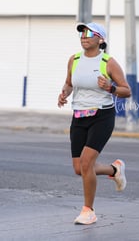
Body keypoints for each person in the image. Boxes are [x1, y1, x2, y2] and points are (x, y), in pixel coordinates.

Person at [57, 22, 131, 224]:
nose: (84, 36)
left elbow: (126, 90)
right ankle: (115, 170)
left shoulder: (108, 62)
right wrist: (64, 93)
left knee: (87, 162)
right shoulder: (74, 59)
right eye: (82, 33)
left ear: (101, 39)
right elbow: (70, 83)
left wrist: (111, 87)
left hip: (102, 116)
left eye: (89, 33)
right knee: (79, 168)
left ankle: (88, 211)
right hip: (79, 116)